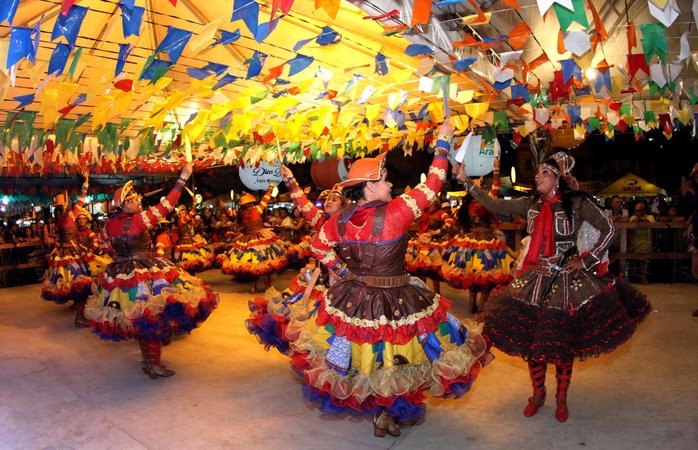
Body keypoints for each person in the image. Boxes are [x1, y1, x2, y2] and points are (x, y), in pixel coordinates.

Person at [285, 121, 489, 437]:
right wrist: (443, 142)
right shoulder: (397, 211)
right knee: (397, 359)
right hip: (398, 298)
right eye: (384, 180)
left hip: (353, 298)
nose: (390, 184)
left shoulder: (336, 221)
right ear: (369, 185)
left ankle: (382, 414)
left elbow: (318, 248)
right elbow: (434, 183)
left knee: (369, 360)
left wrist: (342, 274)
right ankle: (386, 413)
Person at [456, 151, 651, 422]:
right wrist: (466, 182)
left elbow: (607, 227)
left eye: (544, 173)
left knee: (561, 343)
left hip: (567, 280)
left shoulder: (578, 203)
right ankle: (538, 392)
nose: (537, 177)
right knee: (531, 340)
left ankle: (561, 396)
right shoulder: (531, 204)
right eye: (536, 173)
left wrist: (587, 261)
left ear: (558, 178)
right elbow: (494, 204)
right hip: (535, 279)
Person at [84, 164, 219, 378]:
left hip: (120, 274)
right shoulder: (139, 220)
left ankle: (148, 362)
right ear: (126, 203)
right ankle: (154, 364)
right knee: (152, 318)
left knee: (137, 319)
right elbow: (167, 205)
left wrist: (120, 257)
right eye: (135, 199)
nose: (139, 201)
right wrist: (182, 178)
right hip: (144, 272)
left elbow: (101, 245)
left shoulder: (109, 225)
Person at [246, 167, 346, 354]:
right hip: (320, 278)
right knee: (307, 320)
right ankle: (312, 355)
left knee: (334, 327)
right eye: (327, 199)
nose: (328, 202)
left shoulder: (350, 223)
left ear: (344, 204)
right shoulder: (320, 220)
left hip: (342, 282)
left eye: (334, 199)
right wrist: (291, 181)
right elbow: (303, 204)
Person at [441, 159, 516, 315]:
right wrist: (496, 170)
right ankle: (482, 306)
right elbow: (495, 189)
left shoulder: (466, 205)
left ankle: (472, 303)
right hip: (486, 241)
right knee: (488, 276)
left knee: (473, 275)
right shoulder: (484, 202)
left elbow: (458, 222)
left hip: (470, 240)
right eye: (481, 187)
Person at [41, 171, 94, 326]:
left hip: (67, 253)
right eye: (62, 205)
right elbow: (81, 201)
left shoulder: (60, 219)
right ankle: (80, 316)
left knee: (72, 281)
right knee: (81, 281)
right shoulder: (70, 216)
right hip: (71, 254)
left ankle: (78, 307)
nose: (64, 206)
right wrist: (86, 183)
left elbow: (58, 238)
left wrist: (55, 248)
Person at [219, 184, 288, 293]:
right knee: (266, 261)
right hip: (260, 238)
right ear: (250, 203)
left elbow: (230, 213)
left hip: (247, 240)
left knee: (252, 264)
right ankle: (267, 286)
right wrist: (270, 189)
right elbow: (265, 200)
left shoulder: (240, 214)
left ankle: (253, 286)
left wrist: (224, 207)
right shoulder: (256, 210)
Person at [172, 205, 214, 273]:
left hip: (190, 241)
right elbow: (190, 214)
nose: (184, 214)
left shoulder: (187, 222)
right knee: (182, 259)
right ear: (179, 215)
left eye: (184, 213)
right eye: (182, 213)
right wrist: (194, 205)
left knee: (194, 259)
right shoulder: (181, 221)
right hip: (183, 242)